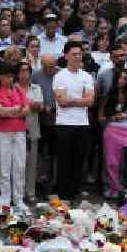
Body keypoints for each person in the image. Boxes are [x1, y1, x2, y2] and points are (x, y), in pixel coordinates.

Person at [53, 40, 94, 201]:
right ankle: (63, 195)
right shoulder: (60, 76)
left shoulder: (86, 76)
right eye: (74, 54)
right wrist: (80, 99)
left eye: (79, 54)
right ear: (66, 56)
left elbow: (90, 101)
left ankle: (75, 194)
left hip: (82, 124)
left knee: (79, 161)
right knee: (64, 161)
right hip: (64, 124)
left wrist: (72, 100)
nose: (77, 57)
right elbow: (62, 102)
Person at [0, 61, 29, 210]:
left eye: (12, 76)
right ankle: (5, 197)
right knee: (4, 167)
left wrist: (9, 111)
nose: (11, 79)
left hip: (19, 131)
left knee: (20, 166)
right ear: (0, 77)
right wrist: (16, 110)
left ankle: (18, 199)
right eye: (7, 76)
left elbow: (26, 110)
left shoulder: (18, 90)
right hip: (1, 132)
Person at [98, 68, 127, 199]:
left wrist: (126, 115)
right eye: (120, 78)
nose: (122, 81)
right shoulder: (107, 96)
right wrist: (112, 118)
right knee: (111, 161)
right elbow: (100, 118)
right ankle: (110, 187)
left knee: (124, 161)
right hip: (112, 130)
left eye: (125, 78)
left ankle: (122, 188)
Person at [17, 60, 44, 202]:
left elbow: (40, 106)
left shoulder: (36, 88)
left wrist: (23, 103)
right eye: (21, 70)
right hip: (16, 129)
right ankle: (18, 192)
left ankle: (30, 192)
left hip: (32, 128)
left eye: (27, 70)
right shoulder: (13, 88)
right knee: (18, 163)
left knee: (32, 162)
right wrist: (31, 103)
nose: (24, 73)